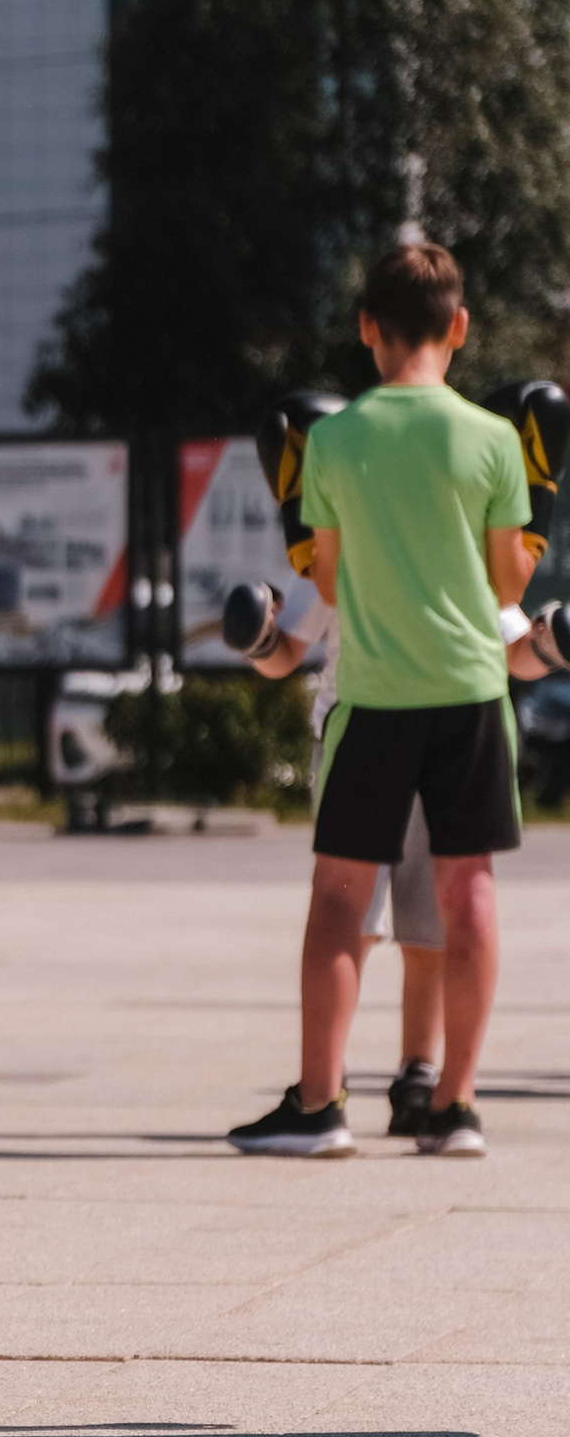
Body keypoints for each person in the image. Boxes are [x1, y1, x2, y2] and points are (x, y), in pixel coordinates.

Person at [223, 243, 534, 1162]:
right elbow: (508, 571)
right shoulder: (492, 440)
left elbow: (324, 567)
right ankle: (455, 1103)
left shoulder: (334, 440)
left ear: (367, 329)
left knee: (338, 896)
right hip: (472, 689)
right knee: (468, 889)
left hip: (374, 691)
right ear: (461, 328)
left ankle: (321, 1106)